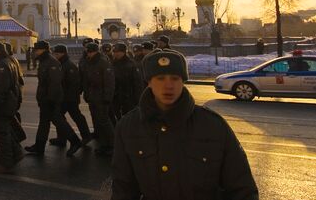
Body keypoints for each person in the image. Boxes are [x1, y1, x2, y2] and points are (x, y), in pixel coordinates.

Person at [111, 49, 259, 200]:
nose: (168, 85)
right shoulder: (129, 127)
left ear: (183, 81)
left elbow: (242, 188)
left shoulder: (212, 126)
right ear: (149, 82)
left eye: (175, 78)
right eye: (160, 78)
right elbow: (123, 189)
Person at [25, 41, 82, 157]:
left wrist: (51, 100)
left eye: (37, 49)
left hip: (50, 99)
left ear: (43, 50)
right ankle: (39, 146)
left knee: (58, 122)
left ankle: (75, 141)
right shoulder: (44, 61)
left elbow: (55, 83)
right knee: (44, 123)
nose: (35, 52)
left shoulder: (51, 63)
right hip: (45, 98)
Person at [0, 42, 24, 174]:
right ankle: (17, 154)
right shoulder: (9, 62)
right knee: (7, 131)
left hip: (3, 105)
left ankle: (6, 164)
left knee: (1, 133)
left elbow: (1, 89)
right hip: (10, 103)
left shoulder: (2, 65)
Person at [50, 44, 92, 147]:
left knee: (75, 117)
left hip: (69, 98)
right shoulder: (61, 64)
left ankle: (85, 136)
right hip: (64, 97)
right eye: (54, 53)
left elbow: (74, 84)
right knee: (61, 118)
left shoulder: (69, 66)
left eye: (57, 53)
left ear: (63, 53)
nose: (55, 55)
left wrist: (68, 97)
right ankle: (62, 138)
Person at [79, 42, 115, 156]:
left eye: (90, 51)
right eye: (87, 51)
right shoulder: (90, 62)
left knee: (104, 121)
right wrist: (86, 93)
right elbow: (86, 80)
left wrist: (107, 97)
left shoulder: (103, 62)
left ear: (95, 51)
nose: (88, 53)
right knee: (98, 121)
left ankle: (112, 145)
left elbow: (109, 82)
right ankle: (104, 143)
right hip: (93, 96)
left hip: (101, 97)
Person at [110, 42, 143, 123]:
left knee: (129, 120)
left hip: (128, 97)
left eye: (118, 52)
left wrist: (137, 99)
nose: (116, 54)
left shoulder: (131, 65)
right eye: (114, 52)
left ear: (124, 52)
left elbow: (137, 83)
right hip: (116, 97)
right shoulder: (112, 64)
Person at [4, 42, 26, 143]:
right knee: (13, 116)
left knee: (10, 119)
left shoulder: (8, 61)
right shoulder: (14, 59)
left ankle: (17, 137)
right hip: (17, 93)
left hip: (13, 95)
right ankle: (16, 138)